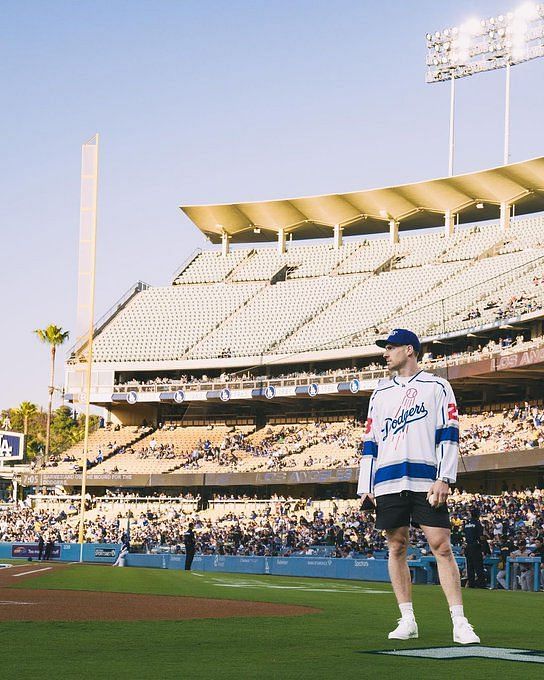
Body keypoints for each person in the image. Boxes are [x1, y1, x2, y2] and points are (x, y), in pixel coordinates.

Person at [358, 328, 480, 645]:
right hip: (387, 481)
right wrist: (365, 485)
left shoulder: (438, 386)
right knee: (396, 547)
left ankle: (460, 621)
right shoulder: (379, 393)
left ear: (410, 350)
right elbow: (369, 443)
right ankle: (407, 619)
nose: (385, 352)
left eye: (391, 347)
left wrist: (445, 477)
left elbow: (449, 434)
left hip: (427, 480)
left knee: (441, 545)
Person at [463, 509, 487, 588]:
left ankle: (471, 584)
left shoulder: (466, 524)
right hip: (476, 547)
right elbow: (481, 537)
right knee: (478, 566)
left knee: (470, 567)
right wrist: (484, 548)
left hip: (468, 547)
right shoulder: (477, 524)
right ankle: (481, 584)